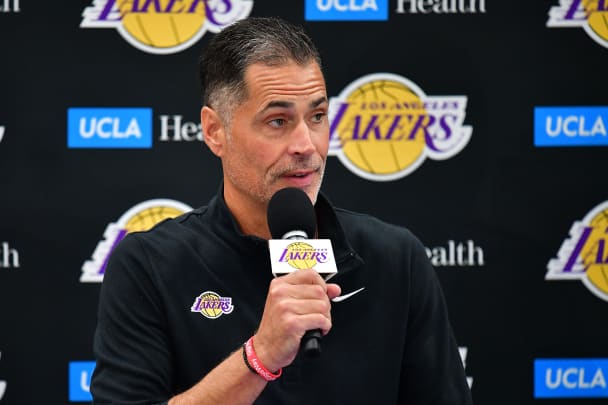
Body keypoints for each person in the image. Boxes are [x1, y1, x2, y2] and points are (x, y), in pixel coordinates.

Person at [90, 16, 473, 405]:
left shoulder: (396, 258)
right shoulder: (148, 264)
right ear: (213, 130)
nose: (306, 144)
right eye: (278, 121)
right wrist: (260, 356)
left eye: (318, 116)